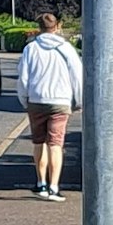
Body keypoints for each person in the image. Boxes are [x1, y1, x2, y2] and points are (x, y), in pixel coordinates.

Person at [16, 12, 81, 202]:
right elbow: (77, 77)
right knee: (56, 144)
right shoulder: (66, 48)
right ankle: (54, 187)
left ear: (39, 28)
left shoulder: (30, 48)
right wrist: (78, 101)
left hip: (36, 100)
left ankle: (40, 183)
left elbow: (23, 78)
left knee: (39, 143)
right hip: (60, 102)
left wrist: (25, 99)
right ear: (57, 26)